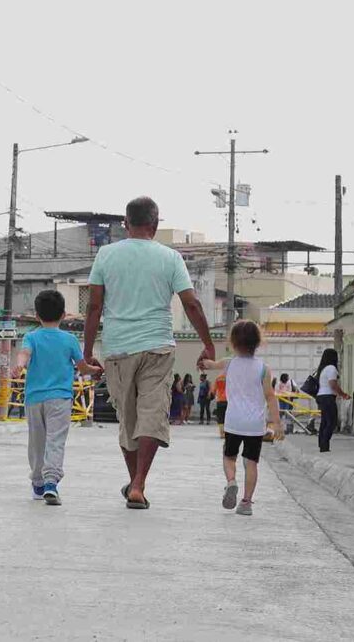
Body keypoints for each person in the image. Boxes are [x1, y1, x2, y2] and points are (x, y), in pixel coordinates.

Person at [84, 197, 215, 510]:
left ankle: (136, 483)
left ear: (125, 224)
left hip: (117, 349)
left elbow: (93, 306)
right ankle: (138, 484)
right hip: (157, 347)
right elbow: (192, 304)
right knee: (152, 415)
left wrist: (88, 351)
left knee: (129, 421)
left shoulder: (105, 255)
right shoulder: (170, 258)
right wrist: (207, 344)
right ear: (155, 226)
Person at [15, 290, 101, 506]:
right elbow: (83, 368)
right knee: (55, 441)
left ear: (37, 316)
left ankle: (38, 483)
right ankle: (51, 483)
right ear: (63, 315)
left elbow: (24, 354)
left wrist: (19, 366)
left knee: (37, 442)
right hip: (60, 399)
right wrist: (97, 369)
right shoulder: (70, 340)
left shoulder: (31, 337)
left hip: (34, 398)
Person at [201, 320, 284, 516]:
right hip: (255, 424)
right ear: (257, 342)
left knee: (229, 457)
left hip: (233, 421)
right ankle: (246, 503)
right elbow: (270, 396)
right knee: (251, 462)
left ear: (233, 342)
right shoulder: (264, 368)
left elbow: (210, 365)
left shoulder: (229, 363)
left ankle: (231, 482)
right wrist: (277, 423)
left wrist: (204, 360)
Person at [315, 349, 350, 452]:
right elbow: (333, 384)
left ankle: (322, 444)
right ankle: (324, 445)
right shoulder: (331, 368)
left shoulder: (323, 369)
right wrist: (343, 394)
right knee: (332, 422)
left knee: (325, 422)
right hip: (327, 397)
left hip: (321, 396)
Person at [213, 372, 228, 438]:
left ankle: (222, 434)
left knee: (221, 417)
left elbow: (213, 389)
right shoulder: (229, 377)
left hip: (219, 400)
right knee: (227, 417)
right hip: (228, 400)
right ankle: (227, 433)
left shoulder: (218, 378)